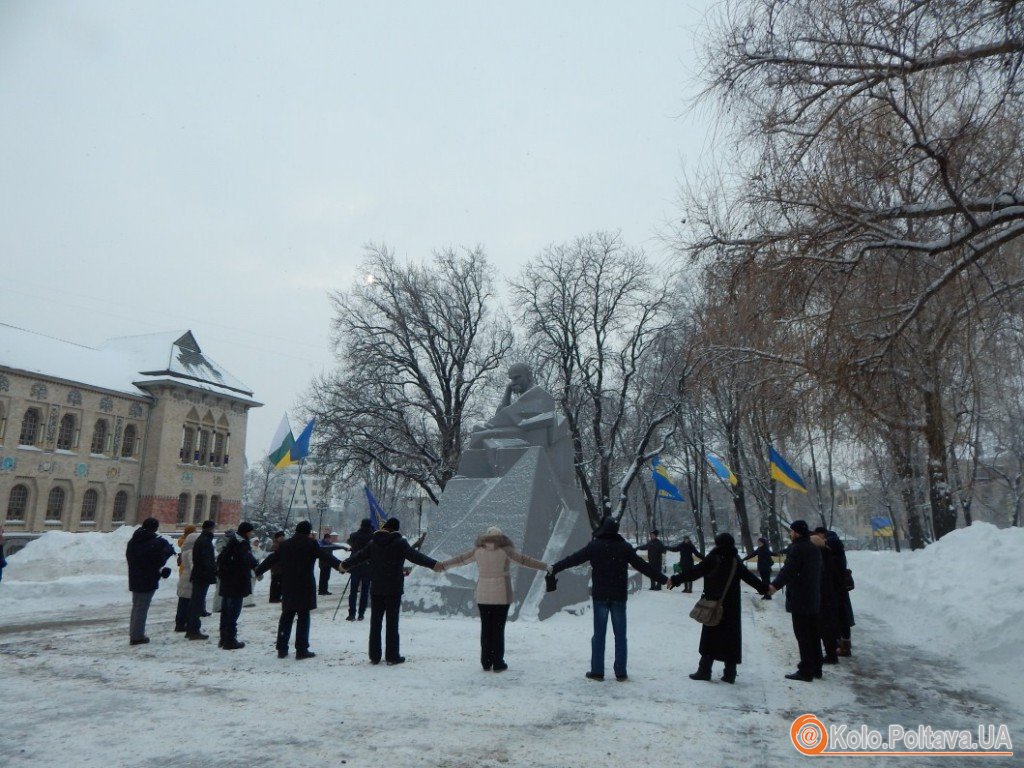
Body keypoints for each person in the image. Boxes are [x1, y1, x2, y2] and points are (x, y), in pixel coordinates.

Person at [549, 516, 667, 682]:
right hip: (619, 596)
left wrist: (555, 567)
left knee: (599, 634)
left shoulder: (595, 546)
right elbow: (643, 566)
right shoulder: (624, 547)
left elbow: (574, 559)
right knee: (620, 635)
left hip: (600, 596)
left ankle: (597, 671)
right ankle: (620, 672)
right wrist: (664, 580)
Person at [440, 525, 549, 671]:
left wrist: (443, 565)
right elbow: (524, 560)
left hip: (483, 595)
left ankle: (486, 662)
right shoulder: (506, 550)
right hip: (501, 595)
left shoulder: (478, 551)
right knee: (498, 629)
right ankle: (498, 663)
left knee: (486, 628)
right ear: (501, 537)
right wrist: (545, 566)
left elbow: (460, 559)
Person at [340, 517, 441, 665]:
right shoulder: (400, 543)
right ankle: (392, 656)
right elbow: (415, 557)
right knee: (392, 624)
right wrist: (434, 564)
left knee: (375, 623)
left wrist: (344, 565)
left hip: (377, 588)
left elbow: (359, 556)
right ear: (396, 529)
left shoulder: (373, 543)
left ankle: (374, 656)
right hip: (393, 588)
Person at [673, 532, 768, 683]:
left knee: (710, 637)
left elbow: (694, 572)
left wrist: (675, 579)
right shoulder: (735, 560)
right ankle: (730, 673)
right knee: (731, 639)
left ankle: (704, 671)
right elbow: (749, 577)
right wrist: (764, 588)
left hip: (714, 604)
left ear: (718, 544)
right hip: (732, 606)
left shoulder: (714, 557)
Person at [255, 520, 345, 659]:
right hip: (305, 585)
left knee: (286, 616)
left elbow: (272, 558)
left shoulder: (285, 544)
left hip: (289, 585)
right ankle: (301, 649)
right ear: (309, 532)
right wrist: (340, 566)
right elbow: (325, 556)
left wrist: (258, 570)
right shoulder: (311, 544)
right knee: (303, 617)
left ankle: (282, 648)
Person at [768, 520, 823, 682]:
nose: (790, 534)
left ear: (797, 533)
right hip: (813, 596)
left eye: (791, 531)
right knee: (813, 634)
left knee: (803, 635)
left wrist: (774, 586)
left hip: (800, 598)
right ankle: (816, 667)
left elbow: (789, 571)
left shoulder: (797, 549)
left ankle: (805, 670)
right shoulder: (814, 549)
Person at [125, 517, 175, 645]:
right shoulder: (152, 543)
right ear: (154, 528)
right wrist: (166, 554)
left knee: (136, 607)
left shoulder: (134, 541)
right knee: (142, 608)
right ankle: (137, 636)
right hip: (147, 579)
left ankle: (134, 633)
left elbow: (134, 558)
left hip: (135, 578)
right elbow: (157, 561)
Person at [217, 521, 258, 650]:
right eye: (251, 531)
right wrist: (255, 566)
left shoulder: (232, 541)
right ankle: (230, 639)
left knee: (226, 611)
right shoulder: (242, 544)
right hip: (236, 582)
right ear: (246, 532)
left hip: (227, 581)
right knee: (233, 611)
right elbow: (245, 560)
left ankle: (224, 638)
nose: (252, 534)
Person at [826, 529, 855, 656]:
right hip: (841, 591)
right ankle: (845, 644)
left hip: (835, 591)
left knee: (837, 618)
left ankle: (841, 646)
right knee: (843, 618)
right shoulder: (840, 553)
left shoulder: (833, 557)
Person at [186, 520, 217, 640]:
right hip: (202, 575)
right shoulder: (205, 541)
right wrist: (213, 570)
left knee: (196, 602)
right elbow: (206, 560)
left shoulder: (202, 539)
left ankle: (191, 628)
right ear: (211, 528)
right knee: (197, 603)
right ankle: (193, 630)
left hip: (199, 574)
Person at [345, 519, 374, 621]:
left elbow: (350, 542)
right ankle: (361, 614)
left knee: (353, 591)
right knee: (365, 592)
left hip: (355, 566)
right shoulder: (373, 537)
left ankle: (352, 613)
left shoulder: (354, 535)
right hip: (368, 567)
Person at [174, 524, 198, 632]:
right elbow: (194, 567)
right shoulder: (192, 551)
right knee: (188, 603)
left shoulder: (184, 548)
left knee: (182, 602)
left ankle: (179, 623)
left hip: (184, 575)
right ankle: (184, 624)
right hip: (190, 579)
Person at [318, 530, 343, 595]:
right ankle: (321, 591)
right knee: (323, 578)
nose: (328, 540)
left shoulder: (330, 544)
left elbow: (335, 546)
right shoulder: (322, 544)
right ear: (325, 538)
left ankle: (325, 590)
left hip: (329, 563)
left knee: (327, 577)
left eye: (329, 539)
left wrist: (343, 547)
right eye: (328, 539)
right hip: (323, 563)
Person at [267, 531, 286, 604]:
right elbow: (273, 557)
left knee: (280, 583)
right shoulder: (275, 546)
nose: (282, 538)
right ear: (277, 538)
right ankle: (273, 598)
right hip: (275, 567)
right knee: (275, 582)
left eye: (283, 537)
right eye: (281, 537)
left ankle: (278, 597)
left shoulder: (283, 545)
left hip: (282, 567)